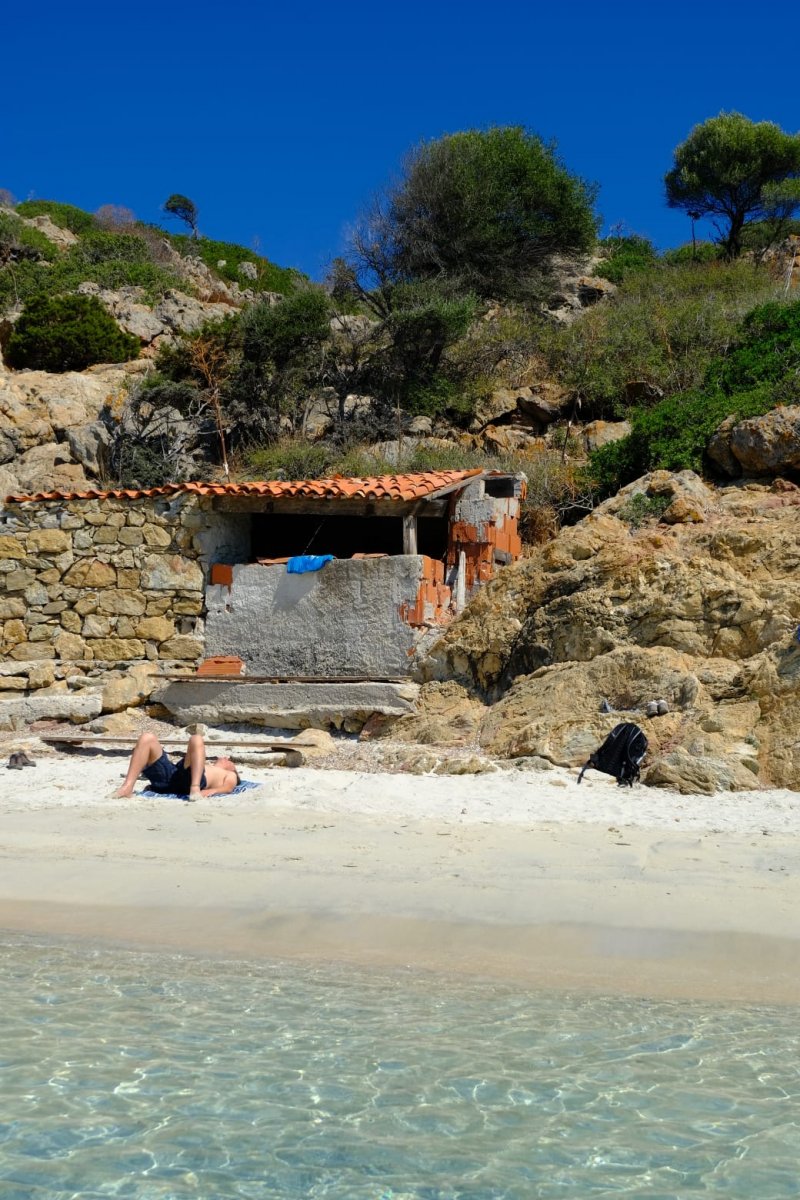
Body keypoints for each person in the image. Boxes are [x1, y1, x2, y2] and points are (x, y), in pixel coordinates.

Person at [114, 731, 239, 802]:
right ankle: (127, 787)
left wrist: (206, 792)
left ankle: (194, 788)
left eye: (229, 761)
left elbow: (228, 788)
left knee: (196, 738)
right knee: (147, 737)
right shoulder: (202, 764)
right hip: (170, 779)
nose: (225, 758)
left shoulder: (229, 774)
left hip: (191, 782)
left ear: (232, 768)